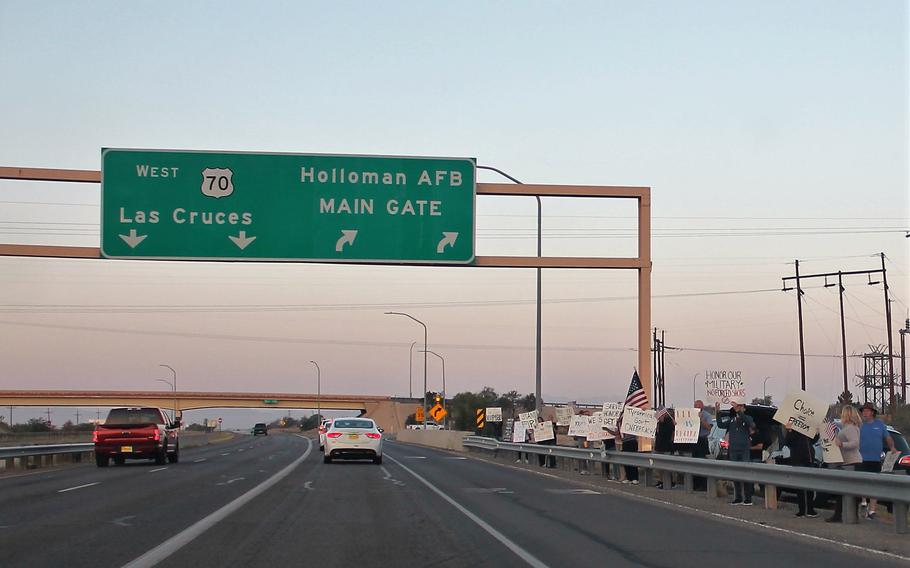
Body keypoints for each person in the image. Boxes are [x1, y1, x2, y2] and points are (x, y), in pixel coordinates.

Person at [858, 402, 898, 520]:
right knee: (862, 482)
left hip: (875, 460)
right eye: (863, 411)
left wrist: (892, 447)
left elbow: (888, 438)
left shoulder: (879, 425)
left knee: (874, 485)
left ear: (872, 412)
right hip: (861, 459)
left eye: (867, 411)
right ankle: (864, 502)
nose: (865, 413)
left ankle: (872, 511)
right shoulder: (860, 425)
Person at [827, 405, 862, 523]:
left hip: (851, 462)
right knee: (846, 490)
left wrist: (841, 444)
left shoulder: (850, 428)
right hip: (848, 462)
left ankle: (843, 515)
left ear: (846, 414)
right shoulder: (849, 427)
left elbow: (855, 443)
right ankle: (842, 514)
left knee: (848, 490)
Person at [717, 397, 754, 505]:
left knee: (745, 474)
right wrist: (718, 412)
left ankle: (748, 498)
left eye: (740, 406)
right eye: (737, 406)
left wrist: (739, 411)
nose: (738, 408)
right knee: (735, 475)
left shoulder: (748, 418)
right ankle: (738, 497)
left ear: (744, 408)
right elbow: (720, 425)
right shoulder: (732, 420)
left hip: (744, 450)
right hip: (733, 450)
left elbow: (750, 424)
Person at [784, 421, 817, 518]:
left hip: (808, 458)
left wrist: (816, 432)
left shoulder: (808, 427)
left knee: (809, 485)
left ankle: (810, 509)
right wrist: (789, 430)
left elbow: (813, 440)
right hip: (797, 458)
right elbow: (788, 442)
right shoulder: (793, 427)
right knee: (799, 486)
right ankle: (802, 509)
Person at [692, 400, 712, 491]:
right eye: (695, 406)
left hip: (702, 440)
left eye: (698, 406)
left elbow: (709, 427)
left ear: (702, 406)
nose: (696, 408)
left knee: (702, 463)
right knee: (694, 463)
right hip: (693, 440)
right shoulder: (691, 414)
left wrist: (700, 420)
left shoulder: (707, 415)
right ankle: (695, 484)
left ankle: (703, 485)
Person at [574, 409, 591, 475]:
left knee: (590, 454)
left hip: (588, 439)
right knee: (582, 454)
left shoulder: (591, 421)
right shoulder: (579, 421)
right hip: (581, 439)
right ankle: (584, 468)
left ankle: (590, 469)